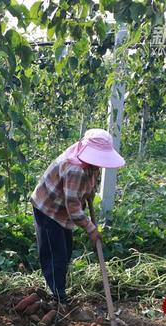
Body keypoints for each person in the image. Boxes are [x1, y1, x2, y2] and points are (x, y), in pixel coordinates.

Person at [30, 128, 125, 310]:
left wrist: (90, 192)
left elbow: (90, 183)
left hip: (62, 210)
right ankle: (58, 298)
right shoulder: (75, 169)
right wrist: (91, 229)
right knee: (55, 254)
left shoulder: (89, 161)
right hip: (48, 209)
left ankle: (59, 291)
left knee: (66, 251)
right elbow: (73, 207)